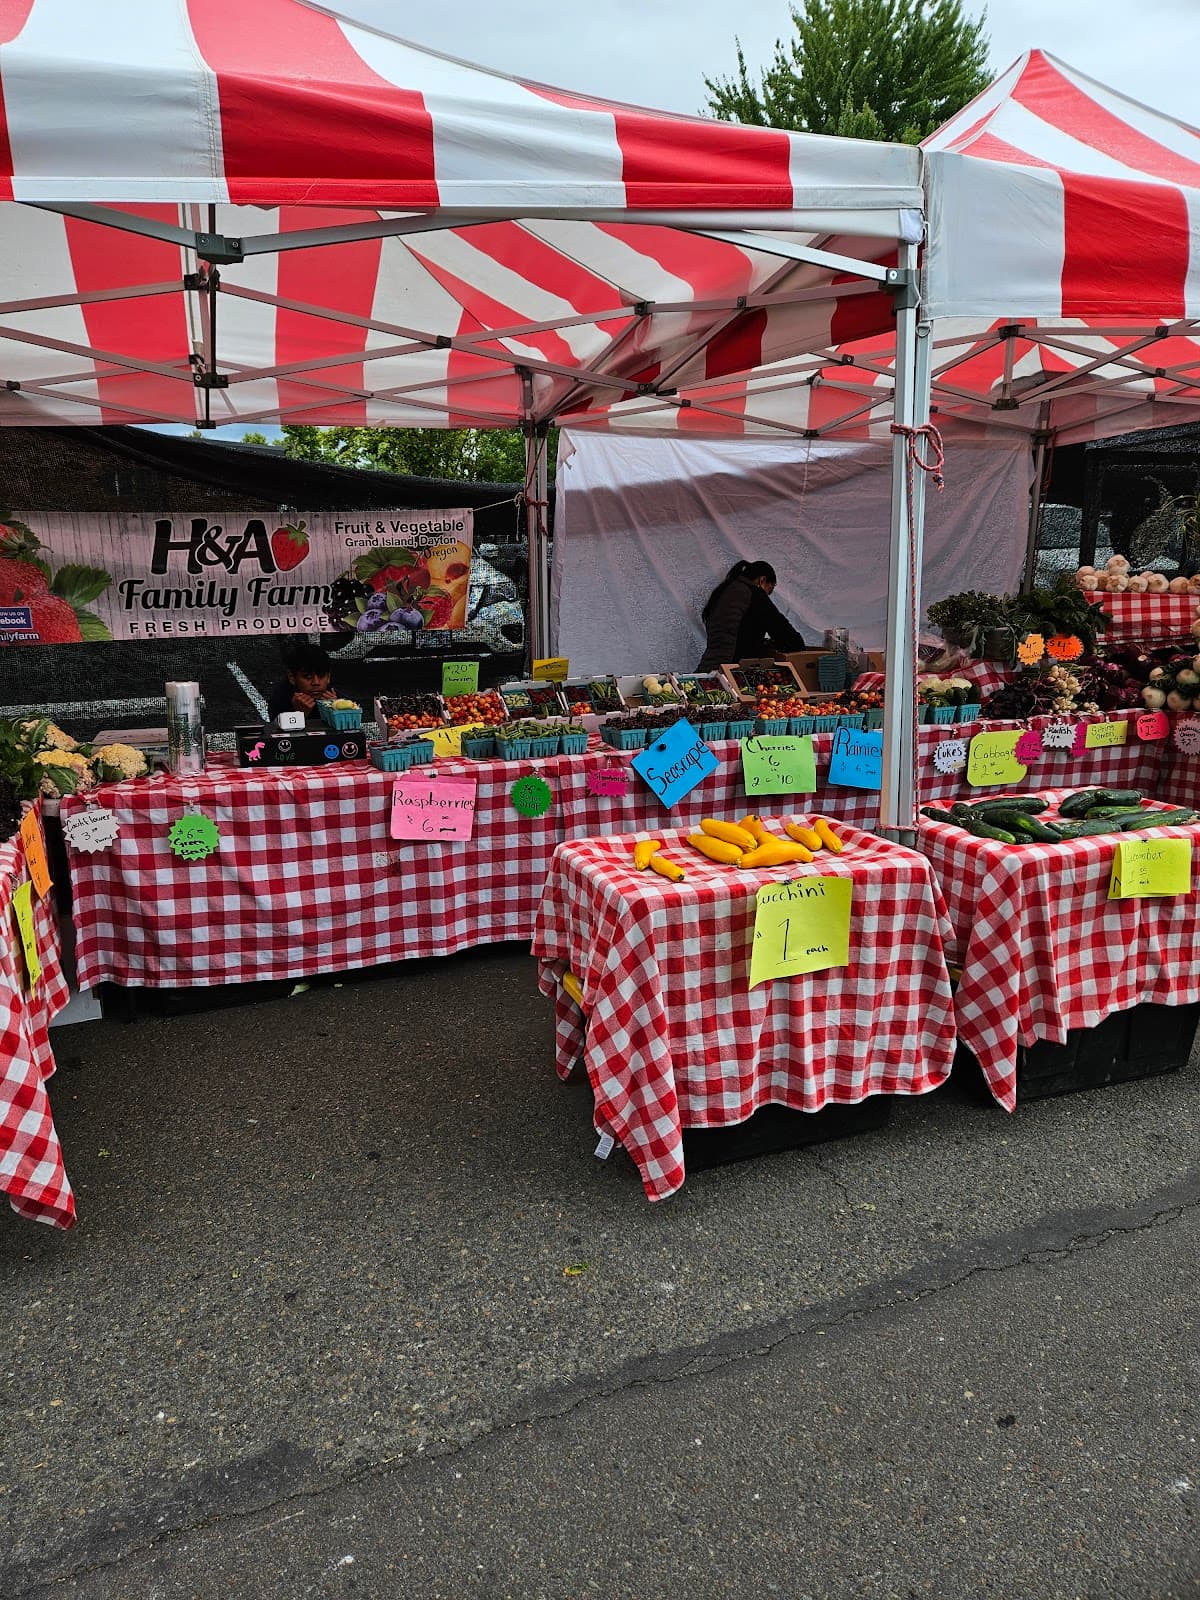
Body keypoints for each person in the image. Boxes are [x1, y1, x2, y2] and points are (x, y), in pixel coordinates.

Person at [696, 560, 806, 671]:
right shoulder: (753, 593)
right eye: (769, 591)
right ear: (762, 580)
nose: (767, 597)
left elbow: (739, 631)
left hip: (710, 667)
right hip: (731, 671)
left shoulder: (725, 591)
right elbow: (791, 640)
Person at [266, 642, 337, 720]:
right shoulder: (280, 698)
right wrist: (298, 715)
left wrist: (337, 711)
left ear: (328, 677)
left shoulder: (333, 696)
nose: (316, 683)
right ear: (292, 678)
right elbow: (275, 729)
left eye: (321, 676)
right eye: (308, 677)